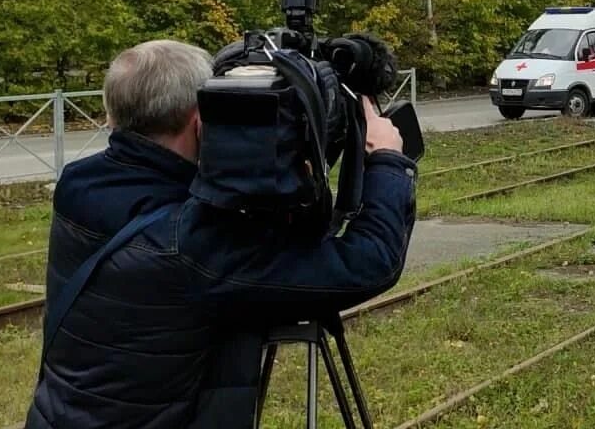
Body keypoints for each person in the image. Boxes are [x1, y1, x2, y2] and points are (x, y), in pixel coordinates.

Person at [26, 40, 417, 429]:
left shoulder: (79, 184)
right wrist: (386, 159)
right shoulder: (196, 245)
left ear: (113, 115)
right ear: (202, 121)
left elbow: (189, 220)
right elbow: (370, 261)